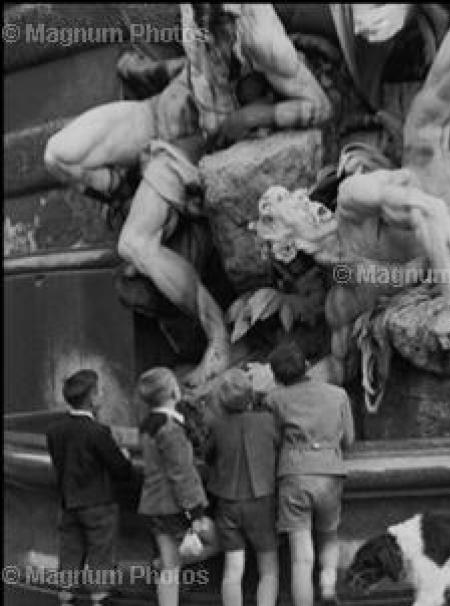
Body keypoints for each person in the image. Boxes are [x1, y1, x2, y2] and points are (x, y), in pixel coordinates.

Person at [44, 3, 332, 387]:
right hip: (160, 110)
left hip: (191, 147)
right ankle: (124, 192)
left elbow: (320, 106)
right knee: (58, 155)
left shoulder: (261, 37)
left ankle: (218, 340)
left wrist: (253, 118)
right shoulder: (193, 11)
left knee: (135, 243)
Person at [266, 341, 355, 606]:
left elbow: (273, 440)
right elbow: (350, 439)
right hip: (330, 472)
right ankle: (329, 581)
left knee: (300, 559)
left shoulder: (274, 399)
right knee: (329, 535)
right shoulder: (337, 394)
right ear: (306, 364)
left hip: (293, 475)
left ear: (276, 375)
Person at [46, 369, 135, 606]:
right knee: (100, 564)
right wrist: (125, 457)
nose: (103, 395)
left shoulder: (54, 431)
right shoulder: (99, 432)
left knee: (69, 564)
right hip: (99, 506)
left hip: (68, 505)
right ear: (92, 398)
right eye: (100, 391)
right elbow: (121, 471)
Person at [205, 369, 285, 606]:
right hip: (262, 500)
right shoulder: (267, 422)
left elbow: (208, 455)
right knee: (269, 569)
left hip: (226, 502)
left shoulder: (216, 424)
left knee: (233, 570)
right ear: (251, 396)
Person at [137, 366, 211, 606]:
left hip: (154, 503)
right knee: (221, 540)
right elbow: (182, 474)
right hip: (173, 506)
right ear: (173, 392)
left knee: (169, 564)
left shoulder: (149, 425)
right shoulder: (170, 430)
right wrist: (196, 514)